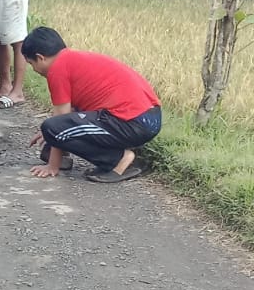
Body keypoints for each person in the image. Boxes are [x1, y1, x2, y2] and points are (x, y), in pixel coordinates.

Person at [21, 26, 162, 183]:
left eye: (31, 63)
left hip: (135, 122)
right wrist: (50, 134)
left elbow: (60, 120)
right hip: (148, 118)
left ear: (40, 58)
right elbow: (68, 113)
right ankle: (119, 152)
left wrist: (52, 166)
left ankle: (120, 160)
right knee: (53, 129)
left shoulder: (57, 69)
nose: (34, 69)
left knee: (51, 128)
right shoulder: (72, 59)